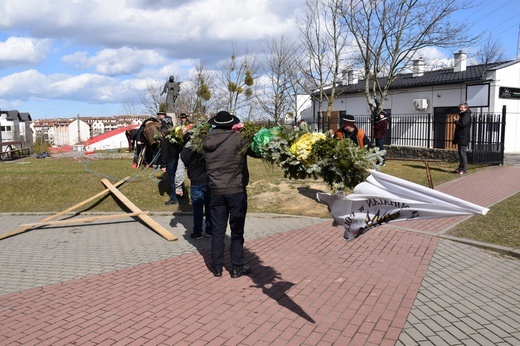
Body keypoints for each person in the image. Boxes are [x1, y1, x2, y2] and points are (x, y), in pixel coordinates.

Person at [203, 111, 252, 278]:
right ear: (232, 124)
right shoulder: (239, 139)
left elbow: (186, 156)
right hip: (236, 190)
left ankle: (217, 267)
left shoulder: (205, 140)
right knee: (236, 231)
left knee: (217, 230)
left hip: (215, 191)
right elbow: (257, 152)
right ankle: (237, 267)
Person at [180, 140, 212, 239]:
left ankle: (197, 232)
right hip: (208, 180)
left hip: (196, 182)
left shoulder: (185, 152)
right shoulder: (208, 148)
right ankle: (210, 230)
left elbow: (181, 166)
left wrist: (178, 185)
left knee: (197, 209)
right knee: (210, 208)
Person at [159, 125, 180, 205]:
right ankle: (180, 193)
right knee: (178, 178)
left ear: (163, 133)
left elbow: (164, 153)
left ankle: (174, 198)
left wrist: (163, 165)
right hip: (176, 160)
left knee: (172, 179)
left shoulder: (164, 141)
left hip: (170, 161)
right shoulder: (174, 139)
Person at [453, 102, 472, 175]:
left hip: (463, 137)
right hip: (461, 137)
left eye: (462, 107)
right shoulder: (463, 115)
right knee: (460, 153)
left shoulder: (466, 115)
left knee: (462, 153)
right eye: (460, 107)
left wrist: (456, 121)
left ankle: (464, 169)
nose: (460, 109)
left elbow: (462, 124)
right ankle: (460, 168)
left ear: (466, 108)